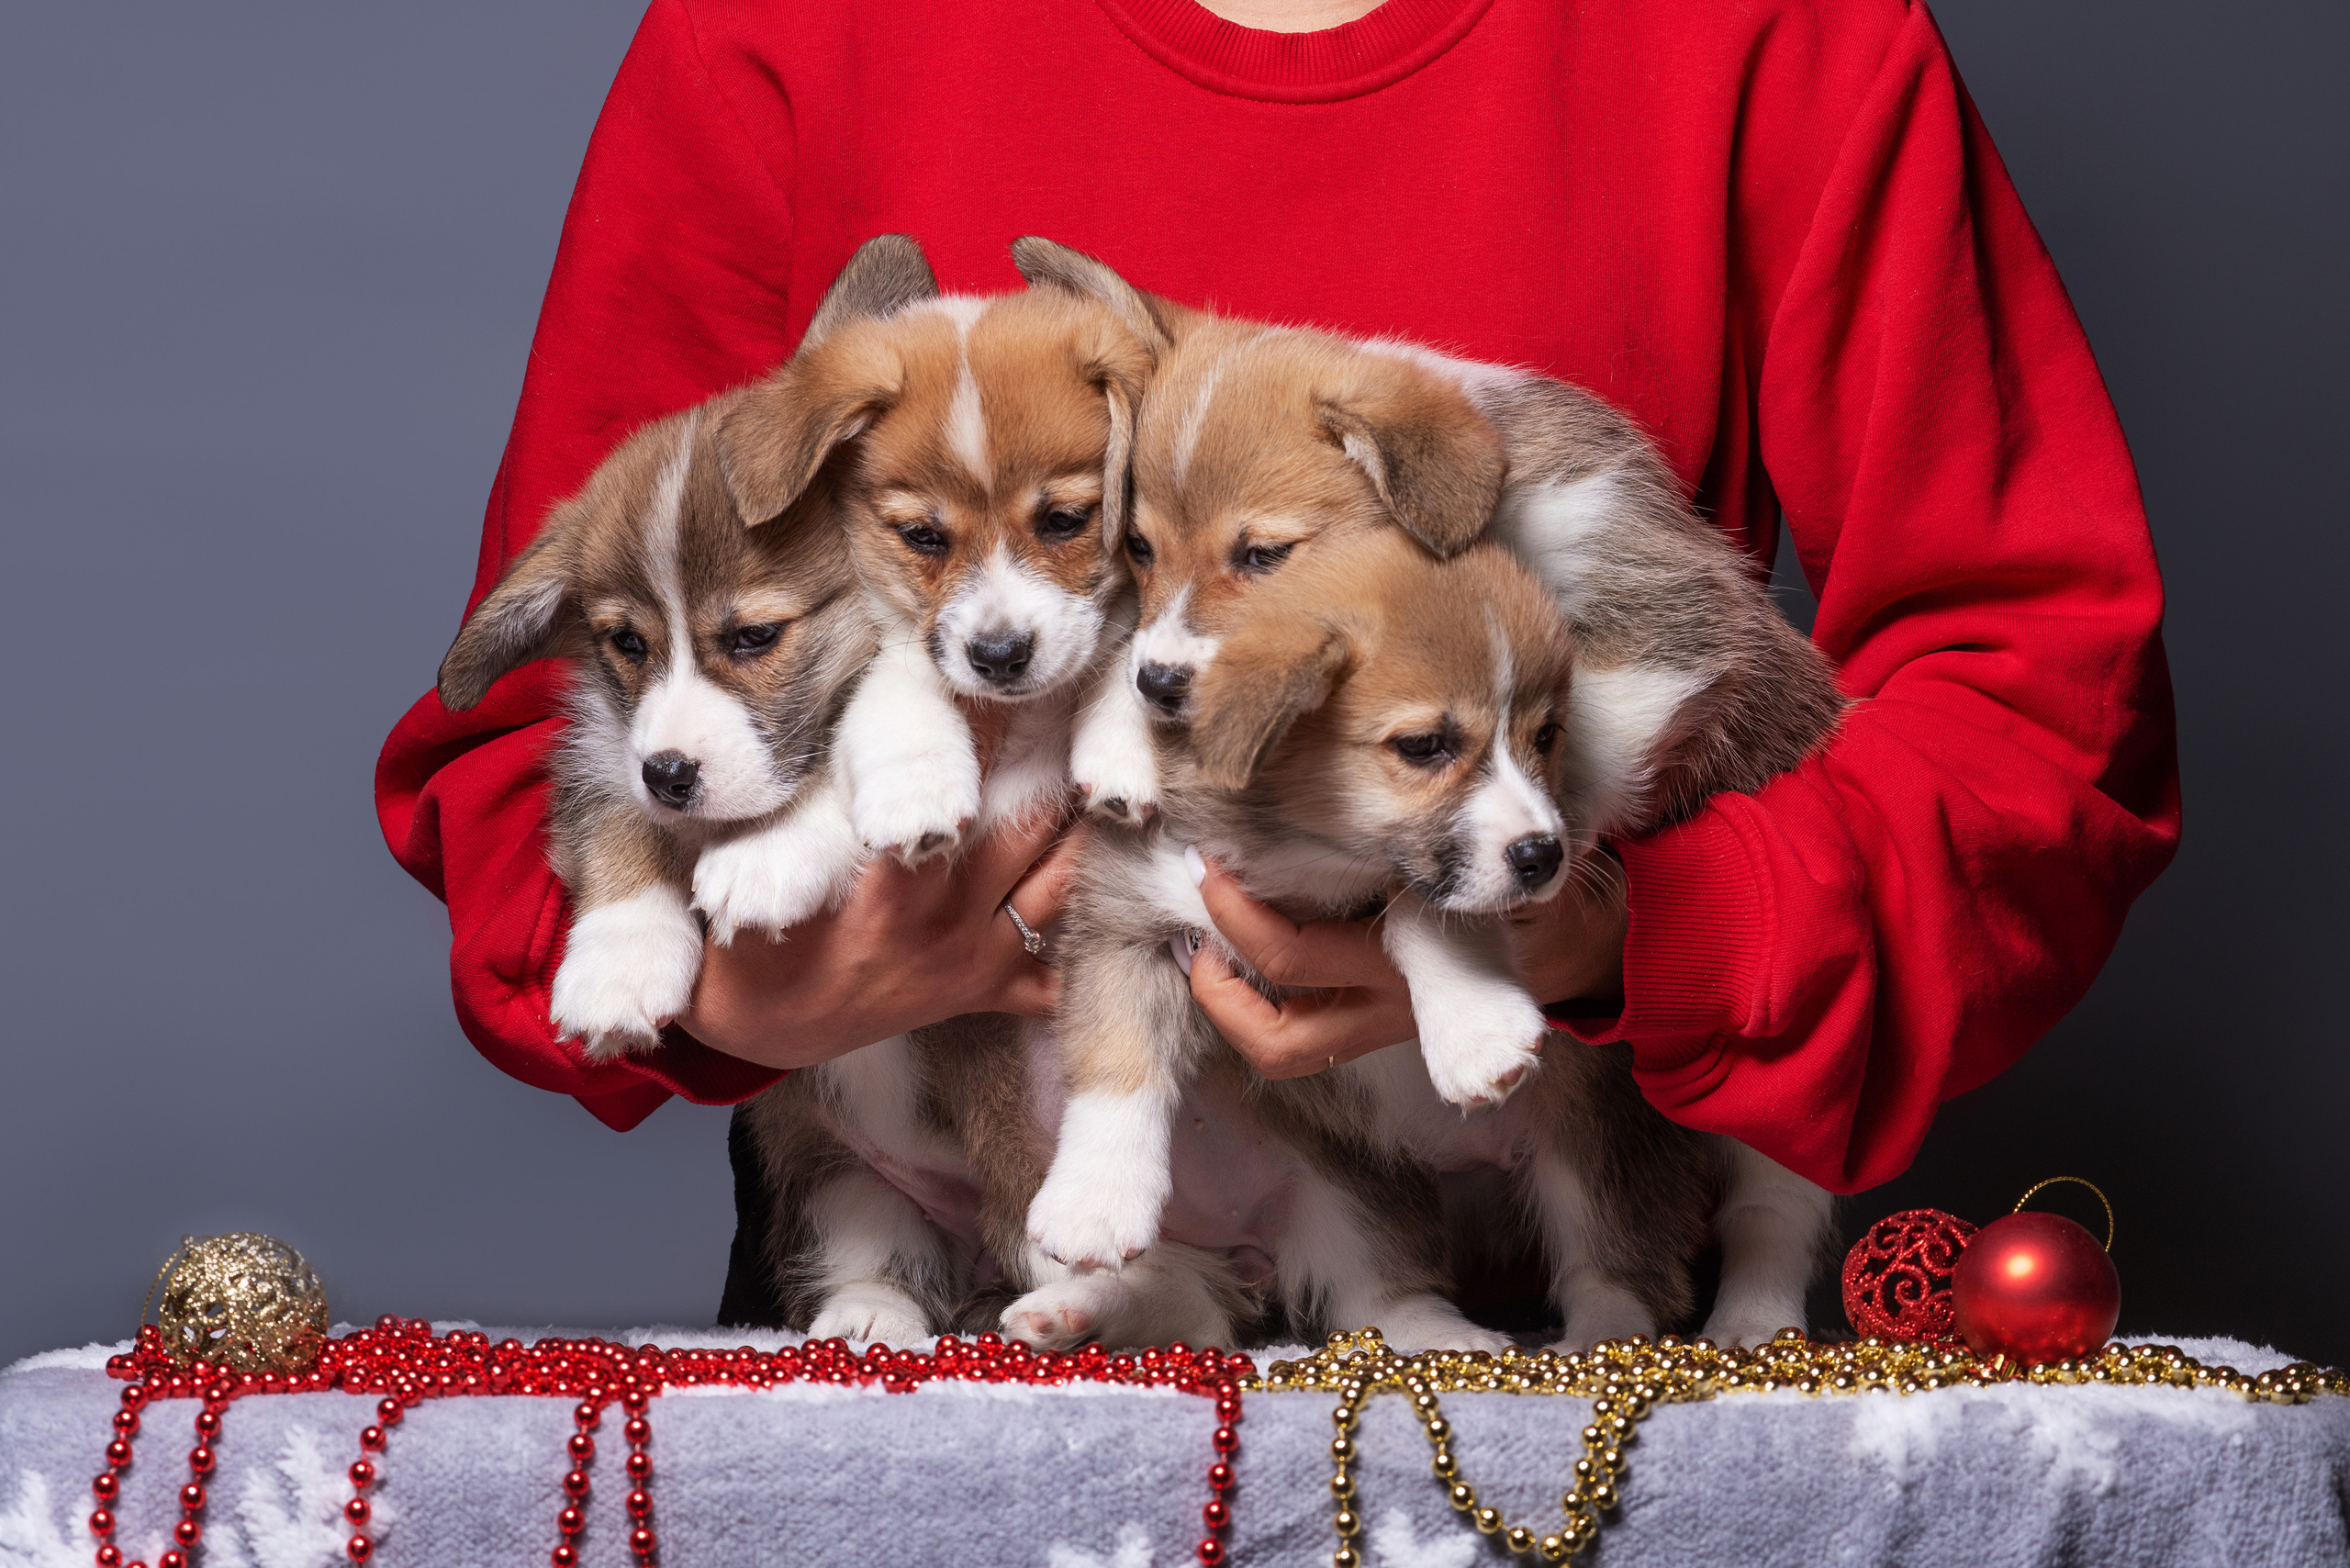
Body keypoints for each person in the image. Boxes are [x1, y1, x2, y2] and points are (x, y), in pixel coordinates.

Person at [375, 0, 2177, 1249]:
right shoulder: (779, 32)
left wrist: (1622, 933)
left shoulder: (1770, 36)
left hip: (1555, 1320)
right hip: (960, 1311)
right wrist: (747, 981)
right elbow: (537, 716)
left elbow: (2048, 715)